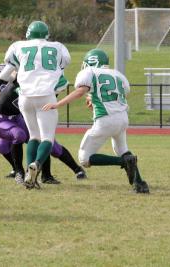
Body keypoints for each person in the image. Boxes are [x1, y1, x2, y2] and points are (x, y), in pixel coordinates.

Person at [43, 48, 149, 193]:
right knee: (122, 149)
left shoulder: (89, 72)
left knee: (84, 158)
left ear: (92, 61)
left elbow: (80, 91)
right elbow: (115, 96)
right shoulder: (118, 74)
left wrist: (57, 104)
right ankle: (139, 183)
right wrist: (94, 101)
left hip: (106, 120)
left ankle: (123, 162)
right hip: (123, 118)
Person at [0, 63, 86, 185]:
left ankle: (57, 173)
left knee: (49, 144)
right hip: (5, 119)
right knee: (6, 145)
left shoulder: (40, 83)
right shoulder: (16, 78)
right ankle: (18, 171)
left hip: (20, 118)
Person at [2, 21, 71, 189]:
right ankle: (37, 164)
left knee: (33, 136)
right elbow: (62, 67)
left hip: (25, 96)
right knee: (47, 137)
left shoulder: (17, 46)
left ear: (27, 34)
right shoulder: (58, 47)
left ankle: (28, 173)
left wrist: (20, 78)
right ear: (47, 35)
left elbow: (4, 76)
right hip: (46, 96)